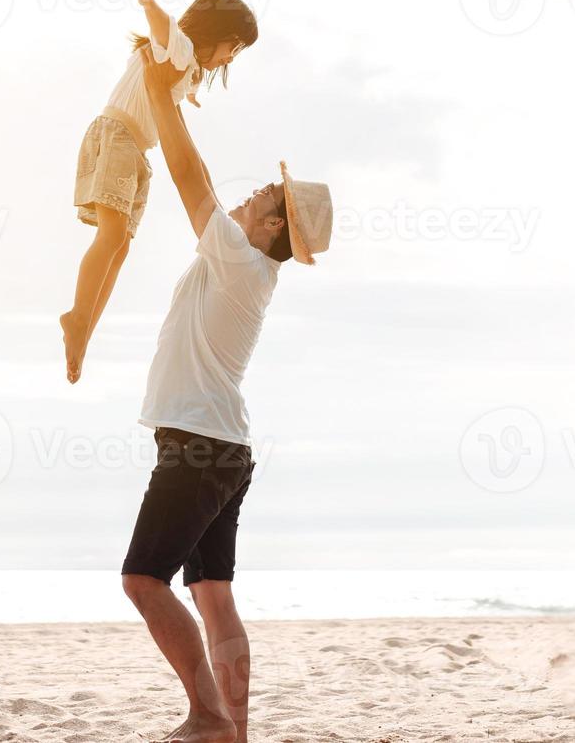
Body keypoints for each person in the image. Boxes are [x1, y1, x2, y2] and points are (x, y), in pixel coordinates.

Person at [118, 48, 332, 743]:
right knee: (213, 596)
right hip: (225, 448)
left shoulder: (239, 259)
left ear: (270, 228)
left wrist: (161, 95)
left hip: (200, 446)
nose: (246, 197)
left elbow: (188, 174)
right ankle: (232, 733)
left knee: (143, 581)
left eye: (260, 199)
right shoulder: (244, 269)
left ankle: (209, 718)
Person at [60, 0, 258, 384]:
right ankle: (77, 318)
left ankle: (85, 330)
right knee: (111, 236)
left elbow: (174, 102)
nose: (231, 56)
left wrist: (187, 94)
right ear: (215, 31)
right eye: (233, 46)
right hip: (117, 137)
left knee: (121, 246)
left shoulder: (187, 71)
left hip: (135, 151)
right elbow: (164, 27)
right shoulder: (181, 47)